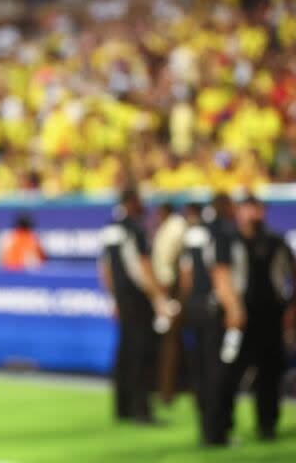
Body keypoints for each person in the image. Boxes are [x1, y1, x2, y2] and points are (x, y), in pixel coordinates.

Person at [214, 194, 295, 441]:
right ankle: (222, 427)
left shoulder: (276, 242)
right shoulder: (230, 240)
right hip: (241, 317)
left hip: (271, 316)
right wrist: (232, 308)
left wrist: (290, 312)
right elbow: (221, 275)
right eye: (247, 209)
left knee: (270, 374)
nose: (252, 214)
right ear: (239, 212)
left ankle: (267, 425)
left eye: (257, 209)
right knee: (229, 373)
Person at [98, 188, 173, 424]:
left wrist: (114, 298)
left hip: (123, 298)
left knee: (125, 353)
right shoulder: (133, 228)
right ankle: (141, 409)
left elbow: (105, 269)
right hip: (138, 300)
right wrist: (158, 297)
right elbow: (140, 268)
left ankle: (123, 407)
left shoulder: (110, 228)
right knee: (141, 354)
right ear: (130, 202)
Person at [179, 193, 247, 445]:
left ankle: (207, 428)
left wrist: (186, 305)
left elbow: (185, 274)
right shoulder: (222, 232)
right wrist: (234, 309)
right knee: (220, 371)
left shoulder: (195, 231)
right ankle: (217, 431)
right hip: (214, 309)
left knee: (202, 371)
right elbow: (220, 272)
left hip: (196, 308)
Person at [151, 203, 188, 404]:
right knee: (172, 342)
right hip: (172, 291)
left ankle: (167, 391)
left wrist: (166, 298)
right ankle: (170, 388)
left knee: (170, 342)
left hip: (172, 292)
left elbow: (166, 267)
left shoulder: (174, 228)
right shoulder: (171, 228)